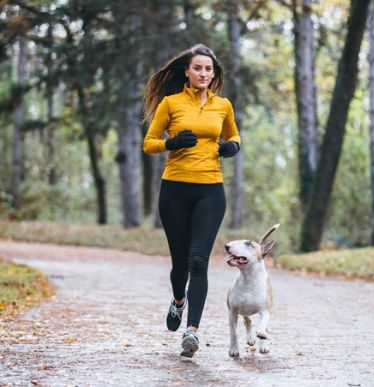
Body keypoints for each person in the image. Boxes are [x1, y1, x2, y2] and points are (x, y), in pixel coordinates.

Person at [142, 44, 241, 358]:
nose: (203, 74)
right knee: (180, 265)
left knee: (199, 262)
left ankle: (192, 332)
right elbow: (149, 143)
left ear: (214, 74)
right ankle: (178, 301)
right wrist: (170, 142)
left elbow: (234, 135)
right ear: (187, 71)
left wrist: (232, 147)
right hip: (175, 191)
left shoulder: (223, 105)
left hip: (210, 190)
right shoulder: (170, 103)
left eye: (209, 69)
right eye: (198, 68)